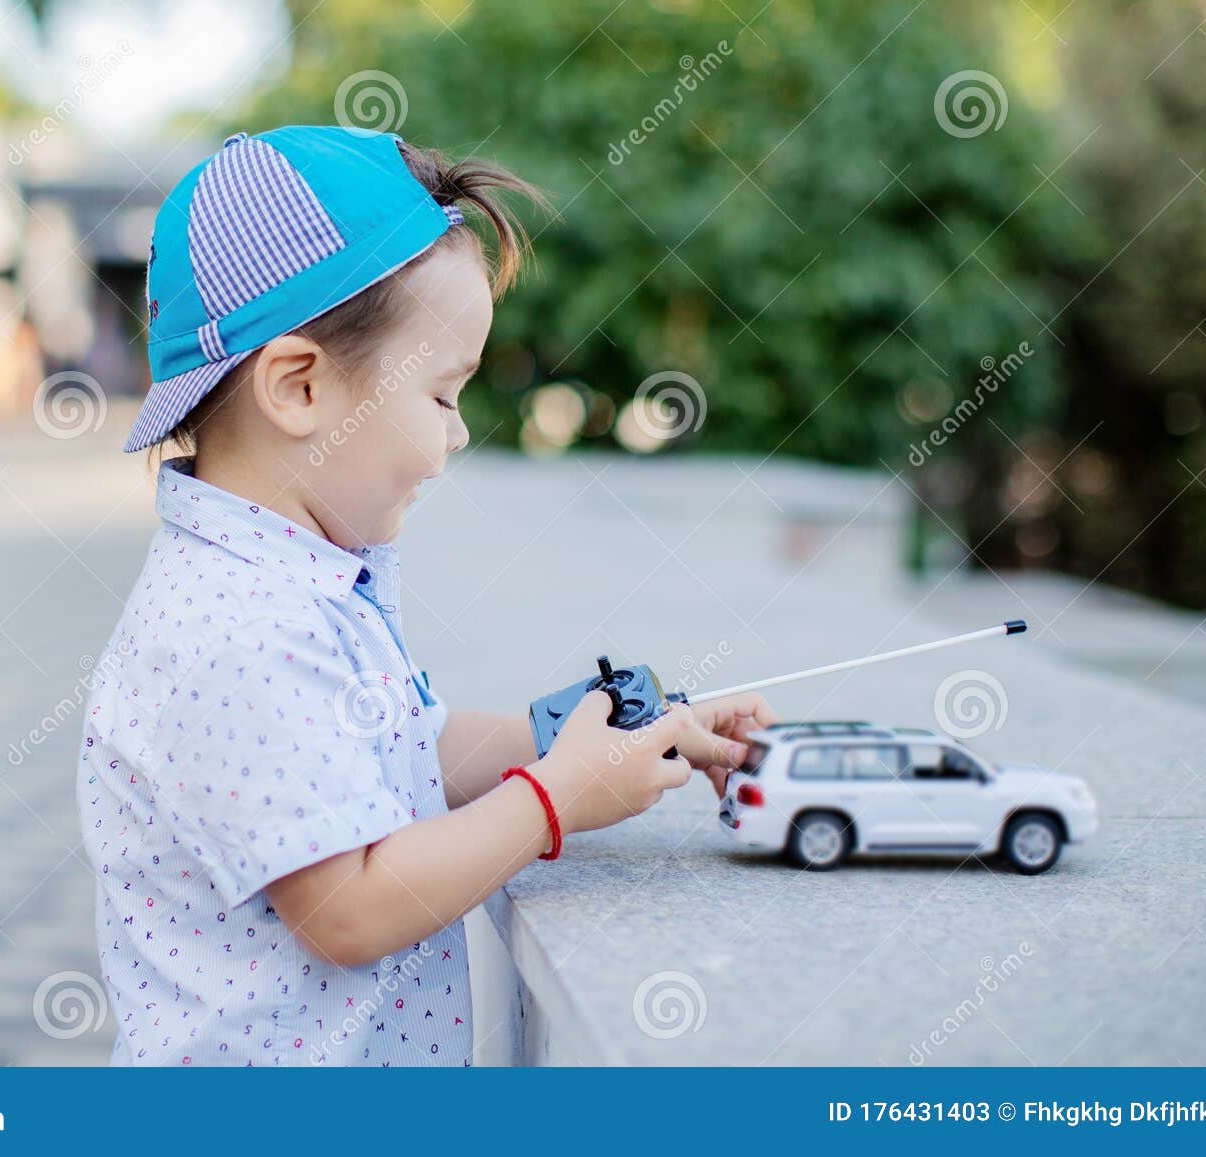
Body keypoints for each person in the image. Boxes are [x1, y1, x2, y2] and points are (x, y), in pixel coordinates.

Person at [78, 125, 775, 1066]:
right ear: (299, 388)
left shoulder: (304, 574)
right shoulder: (232, 626)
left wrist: (603, 729)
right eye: (444, 397)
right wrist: (559, 795)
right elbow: (350, 908)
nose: (457, 436)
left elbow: (398, 746)